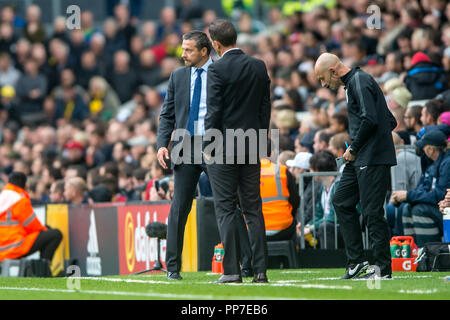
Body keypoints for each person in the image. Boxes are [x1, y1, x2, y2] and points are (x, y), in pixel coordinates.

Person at [315, 53, 397, 279]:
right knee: (341, 200)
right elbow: (390, 120)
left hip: (369, 158)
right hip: (363, 157)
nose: (323, 84)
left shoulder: (359, 81)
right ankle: (357, 261)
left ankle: (382, 270)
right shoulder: (355, 83)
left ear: (333, 71)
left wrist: (354, 148)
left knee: (372, 213)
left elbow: (370, 119)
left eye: (323, 78)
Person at [205, 19, 270, 283]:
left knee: (227, 208)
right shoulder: (258, 65)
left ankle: (232, 271)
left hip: (224, 146)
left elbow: (214, 112)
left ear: (216, 44)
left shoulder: (216, 70)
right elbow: (265, 107)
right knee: (253, 208)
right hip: (252, 143)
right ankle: (261, 271)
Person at [156, 30, 213, 281]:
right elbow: (167, 114)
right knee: (179, 208)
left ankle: (240, 264)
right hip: (184, 147)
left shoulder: (220, 73)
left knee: (227, 205)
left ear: (204, 51)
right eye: (183, 48)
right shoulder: (178, 76)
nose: (183, 54)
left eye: (188, 49)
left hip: (215, 146)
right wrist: (161, 144)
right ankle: (172, 268)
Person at [391, 130, 450, 246]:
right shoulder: (430, 164)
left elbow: (439, 195)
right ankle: (414, 251)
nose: (422, 150)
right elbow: (422, 188)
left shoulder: (447, 164)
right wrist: (404, 197)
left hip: (443, 209)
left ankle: (429, 252)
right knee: (407, 207)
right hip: (437, 207)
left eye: (423, 147)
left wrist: (408, 195)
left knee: (419, 210)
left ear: (431, 149)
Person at [0, 172, 62, 264]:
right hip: (13, 247)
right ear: (24, 185)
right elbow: (32, 225)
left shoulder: (3, 195)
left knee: (46, 233)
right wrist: (45, 230)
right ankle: (43, 271)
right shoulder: (19, 198)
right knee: (55, 234)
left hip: (3, 248)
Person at [260, 157, 299, 241]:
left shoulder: (245, 174)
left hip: (254, 229)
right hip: (284, 228)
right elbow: (295, 200)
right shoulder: (282, 171)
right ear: (272, 153)